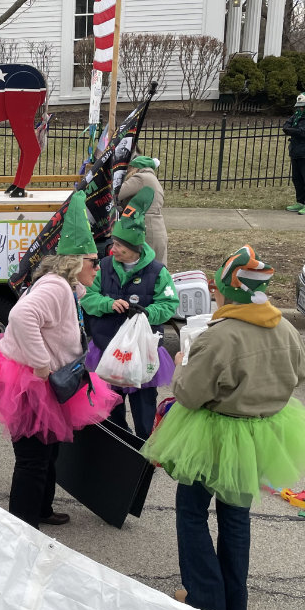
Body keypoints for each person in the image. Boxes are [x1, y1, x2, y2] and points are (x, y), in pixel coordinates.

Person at [142, 246, 305, 610]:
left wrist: (180, 365)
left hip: (212, 435)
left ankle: (206, 598)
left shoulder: (219, 338)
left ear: (228, 290)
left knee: (192, 512)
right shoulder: (285, 329)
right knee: (236, 516)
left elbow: (190, 394)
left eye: (218, 287)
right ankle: (235, 606)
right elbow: (301, 373)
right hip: (260, 433)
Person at [0, 204, 119, 529]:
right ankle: (24, 526)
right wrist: (42, 363)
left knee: (48, 451)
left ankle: (42, 509)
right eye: (94, 262)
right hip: (28, 381)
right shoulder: (56, 287)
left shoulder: (71, 287)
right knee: (33, 458)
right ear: (75, 261)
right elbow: (21, 316)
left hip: (44, 379)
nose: (98, 267)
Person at [79, 186, 179, 440]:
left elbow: (169, 304)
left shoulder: (157, 272)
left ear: (136, 248)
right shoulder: (102, 267)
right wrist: (107, 304)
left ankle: (144, 451)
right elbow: (87, 297)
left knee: (144, 409)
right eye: (114, 244)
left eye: (121, 246)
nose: (115, 250)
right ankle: (119, 446)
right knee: (110, 408)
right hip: (106, 347)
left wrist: (147, 313)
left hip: (142, 353)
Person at [117, 155, 168, 266]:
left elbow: (117, 193)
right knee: (157, 267)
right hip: (157, 226)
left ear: (134, 168)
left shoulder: (141, 178)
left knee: (147, 267)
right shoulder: (151, 178)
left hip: (146, 227)